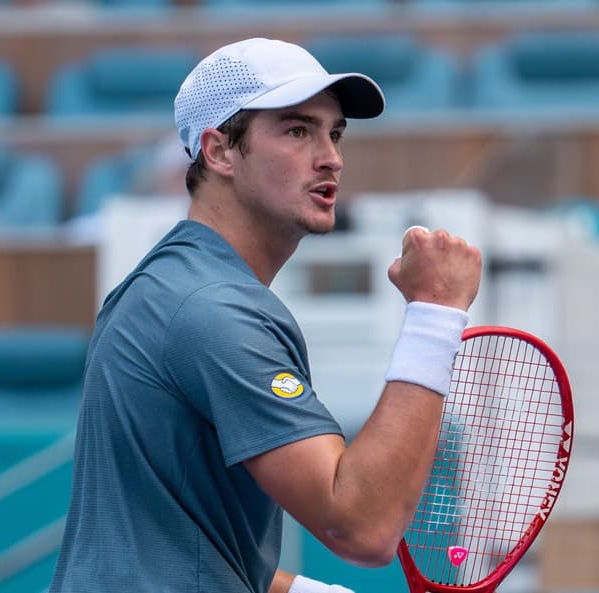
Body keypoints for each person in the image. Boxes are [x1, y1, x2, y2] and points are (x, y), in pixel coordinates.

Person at [49, 37, 482, 593]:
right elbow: (363, 526)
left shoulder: (161, 288)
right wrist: (436, 312)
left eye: (335, 132)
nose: (331, 156)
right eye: (297, 130)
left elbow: (172, 545)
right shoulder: (212, 311)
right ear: (220, 151)